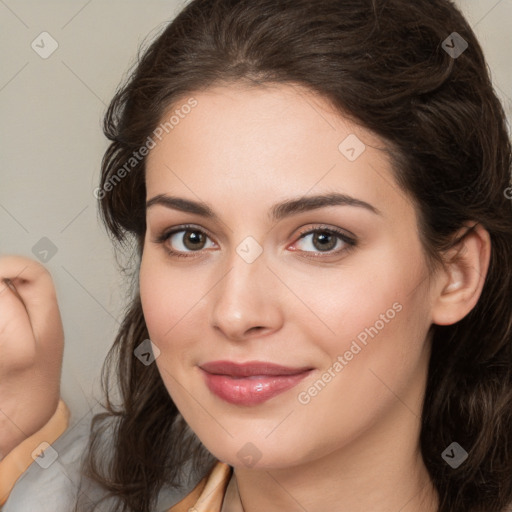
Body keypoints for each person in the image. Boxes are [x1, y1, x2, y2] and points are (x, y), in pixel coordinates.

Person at [1, 0, 511, 510]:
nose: (236, 313)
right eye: (191, 238)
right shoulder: (59, 489)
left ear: (456, 273)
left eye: (321, 239)